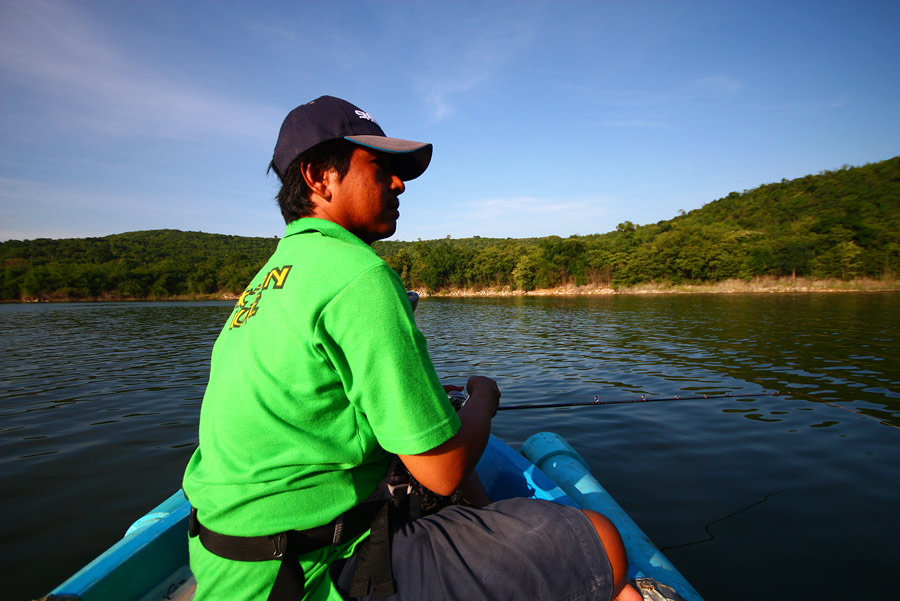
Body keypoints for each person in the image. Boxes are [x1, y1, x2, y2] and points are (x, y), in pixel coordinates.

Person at [182, 95, 641, 601]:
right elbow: (443, 473)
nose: (398, 183)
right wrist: (484, 401)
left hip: (228, 564)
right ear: (318, 177)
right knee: (601, 539)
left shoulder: (267, 280)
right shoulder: (358, 275)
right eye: (380, 167)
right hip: (304, 576)